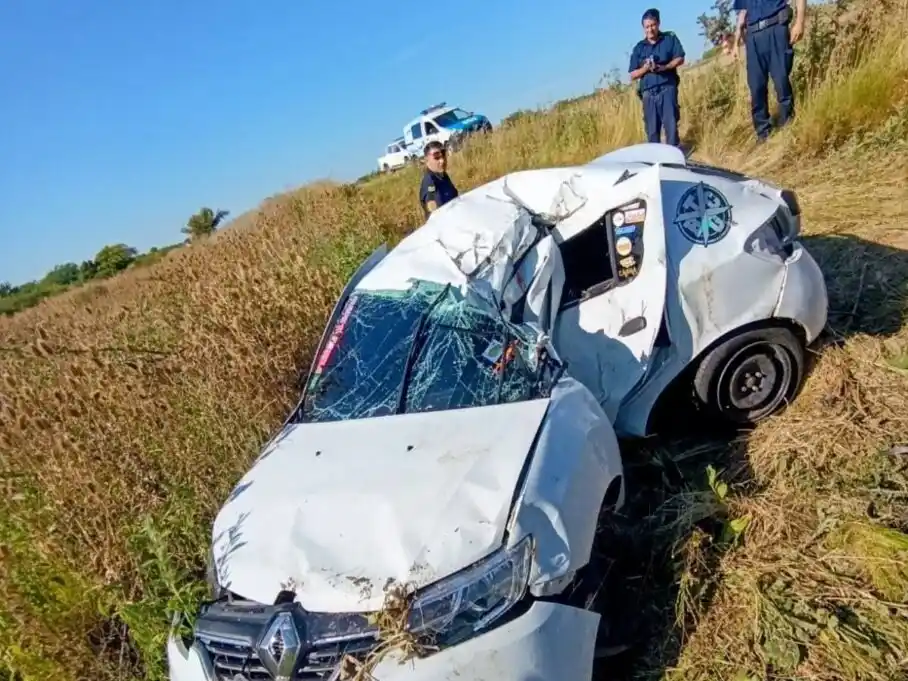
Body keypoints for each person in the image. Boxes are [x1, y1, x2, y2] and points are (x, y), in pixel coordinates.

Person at [732, 0, 807, 143]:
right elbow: (742, 13)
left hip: (776, 28)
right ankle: (762, 133)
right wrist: (736, 42)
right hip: (753, 36)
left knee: (781, 80)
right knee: (756, 87)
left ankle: (787, 125)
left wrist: (800, 22)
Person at [628, 8, 686, 148]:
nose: (650, 29)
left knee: (671, 127)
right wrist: (646, 68)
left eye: (653, 25)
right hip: (648, 94)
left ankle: (673, 161)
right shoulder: (639, 48)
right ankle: (656, 162)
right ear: (643, 28)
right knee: (652, 131)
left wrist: (664, 67)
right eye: (647, 27)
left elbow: (680, 58)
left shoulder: (669, 38)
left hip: (667, 88)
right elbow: (632, 74)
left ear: (658, 23)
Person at [418, 141, 459, 218]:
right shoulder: (430, 182)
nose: (442, 161)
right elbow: (434, 213)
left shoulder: (443, 175)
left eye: (443, 155)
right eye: (436, 157)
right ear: (427, 160)